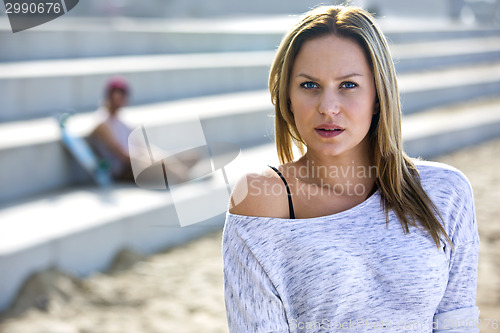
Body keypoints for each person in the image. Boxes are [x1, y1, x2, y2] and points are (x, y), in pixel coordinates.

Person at [222, 5, 479, 333]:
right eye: (309, 86)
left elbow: (457, 321)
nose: (328, 107)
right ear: (287, 96)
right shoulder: (262, 200)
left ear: (377, 95)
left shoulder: (446, 192)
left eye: (348, 85)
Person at [89, 76, 135, 181]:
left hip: (132, 163)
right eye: (117, 95)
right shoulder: (102, 122)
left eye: (122, 95)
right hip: (121, 170)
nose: (120, 99)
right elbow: (121, 154)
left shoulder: (122, 121)